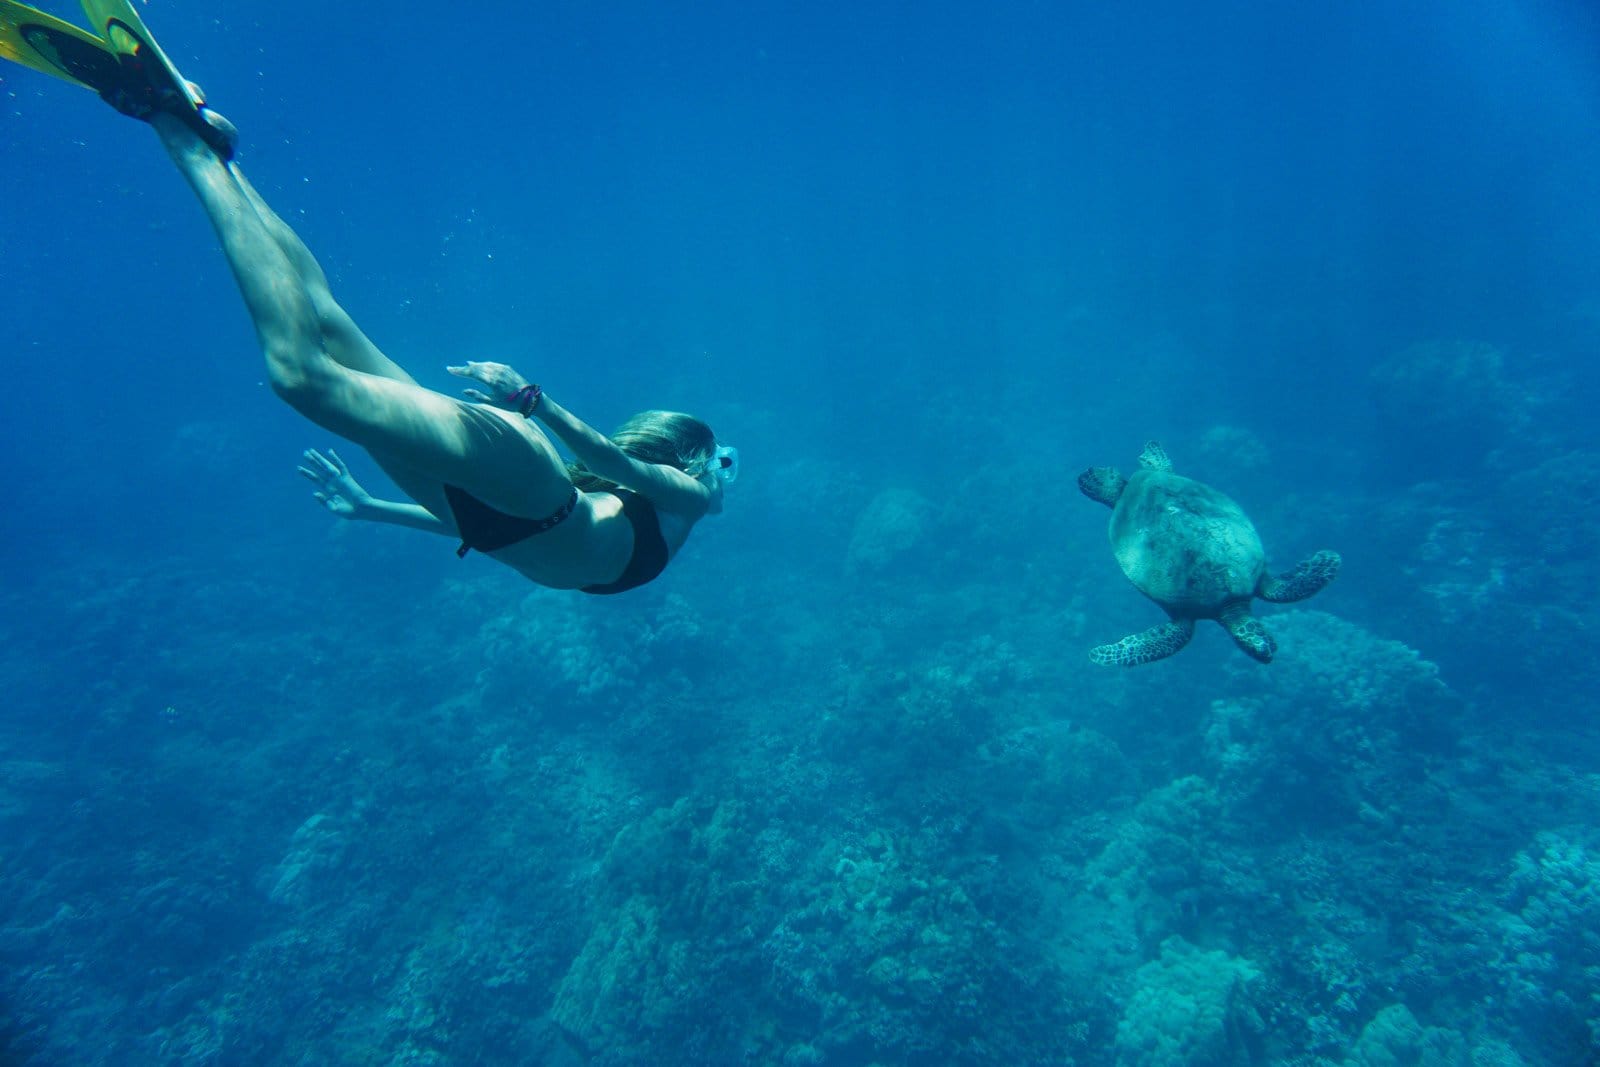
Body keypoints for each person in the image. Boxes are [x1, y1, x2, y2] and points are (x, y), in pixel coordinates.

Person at [2, 0, 733, 594]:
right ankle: (176, 128)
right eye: (722, 459)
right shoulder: (688, 500)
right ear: (693, 460)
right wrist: (533, 402)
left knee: (321, 320)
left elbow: (489, 529)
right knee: (300, 376)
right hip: (524, 480)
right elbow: (623, 461)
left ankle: (213, 145)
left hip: (478, 510)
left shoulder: (658, 505)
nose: (726, 471)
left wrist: (367, 509)